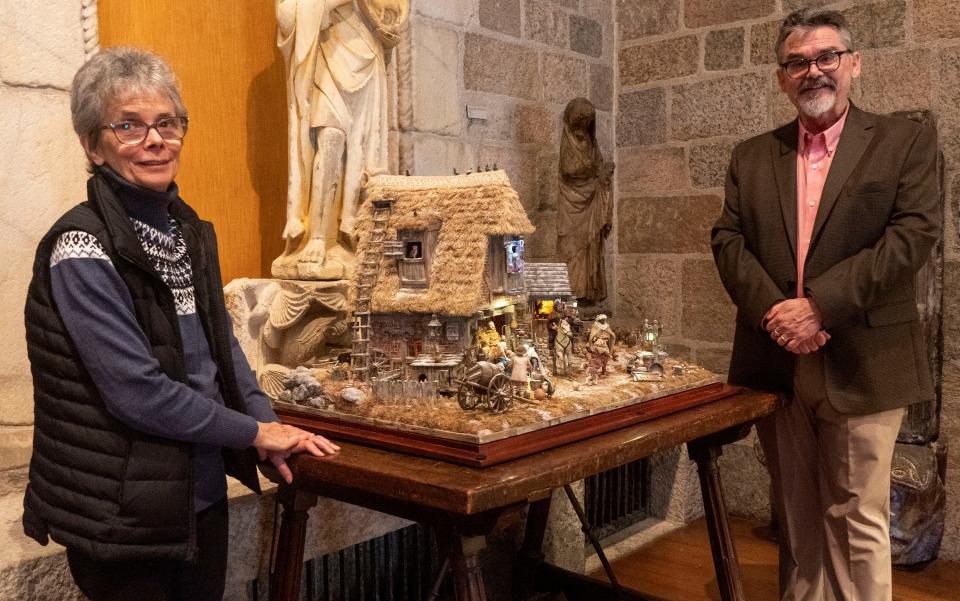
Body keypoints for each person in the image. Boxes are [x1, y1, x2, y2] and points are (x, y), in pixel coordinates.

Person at [21, 47, 340, 601]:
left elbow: (225, 351)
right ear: (92, 144)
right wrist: (255, 432)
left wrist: (266, 426)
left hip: (195, 499)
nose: (155, 139)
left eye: (167, 123)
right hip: (121, 512)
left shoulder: (186, 232)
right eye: (129, 125)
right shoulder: (81, 246)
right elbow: (135, 391)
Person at [711, 9, 940, 601]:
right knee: (796, 512)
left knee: (857, 518)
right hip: (777, 358)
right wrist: (776, 313)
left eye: (826, 57)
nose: (812, 71)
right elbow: (728, 241)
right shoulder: (751, 155)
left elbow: (912, 235)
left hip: (864, 356)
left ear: (854, 64)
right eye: (797, 62)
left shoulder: (903, 141)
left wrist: (819, 306)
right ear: (782, 76)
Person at [272, 0, 409, 280]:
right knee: (330, 139)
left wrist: (389, 22)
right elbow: (285, 14)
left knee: (360, 149)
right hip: (324, 50)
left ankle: (351, 235)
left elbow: (395, 11)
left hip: (365, 54)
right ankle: (319, 237)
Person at [557, 97, 614, 303]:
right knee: (572, 249)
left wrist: (604, 174)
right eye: (579, 123)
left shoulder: (591, 143)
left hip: (591, 203)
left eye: (587, 124)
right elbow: (569, 170)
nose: (583, 129)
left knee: (591, 245)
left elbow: (598, 168)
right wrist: (597, 171)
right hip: (571, 207)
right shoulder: (569, 144)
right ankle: (573, 293)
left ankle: (590, 293)